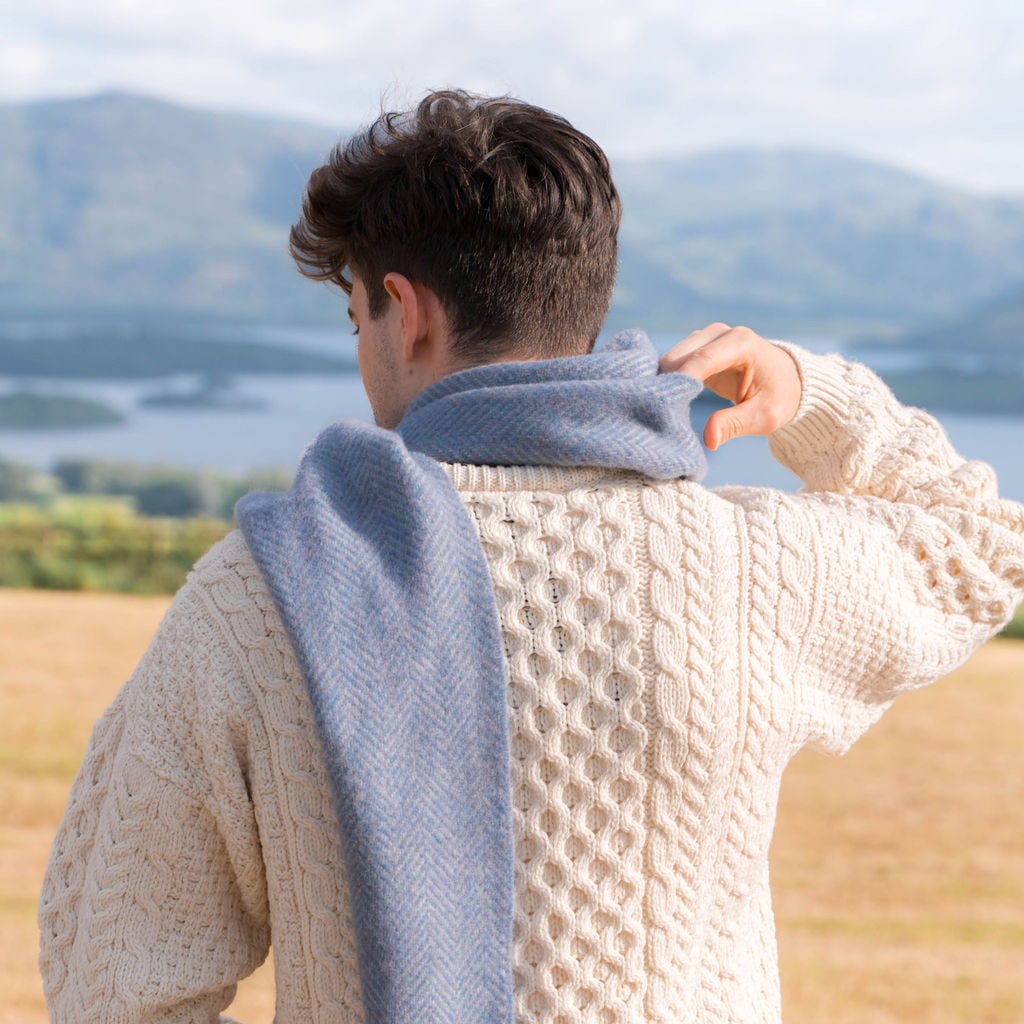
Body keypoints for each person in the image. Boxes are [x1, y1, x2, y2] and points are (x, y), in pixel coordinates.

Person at [38, 88, 1024, 1023]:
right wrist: (810, 389)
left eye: (354, 321)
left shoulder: (260, 596)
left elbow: (117, 979)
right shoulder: (750, 570)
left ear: (404, 309)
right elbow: (981, 544)